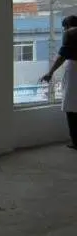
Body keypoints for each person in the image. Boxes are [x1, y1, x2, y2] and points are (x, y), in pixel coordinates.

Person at [41, 14, 77, 149]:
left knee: (71, 107)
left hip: (74, 70)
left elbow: (62, 56)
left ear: (67, 26)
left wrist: (50, 73)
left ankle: (75, 141)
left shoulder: (70, 33)